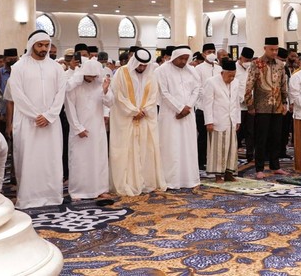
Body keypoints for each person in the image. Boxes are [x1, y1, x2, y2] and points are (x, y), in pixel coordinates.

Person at [9, 30, 67, 208]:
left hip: (50, 122)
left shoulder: (56, 67)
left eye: (46, 45)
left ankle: (52, 195)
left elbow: (60, 93)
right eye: (39, 45)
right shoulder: (18, 67)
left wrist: (49, 116)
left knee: (51, 159)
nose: (43, 49)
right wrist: (36, 115)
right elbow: (17, 95)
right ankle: (28, 198)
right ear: (31, 45)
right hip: (28, 122)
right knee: (28, 159)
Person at [109, 48, 166, 196]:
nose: (142, 68)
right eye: (140, 65)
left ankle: (146, 182)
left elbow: (153, 96)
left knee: (146, 150)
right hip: (126, 119)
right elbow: (118, 95)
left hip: (145, 118)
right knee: (126, 151)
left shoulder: (151, 75)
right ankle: (128, 183)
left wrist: (144, 110)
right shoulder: (122, 73)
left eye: (145, 65)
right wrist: (133, 111)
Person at [64, 59, 113, 201]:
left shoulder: (100, 85)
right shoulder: (74, 87)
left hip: (97, 129)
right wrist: (77, 127)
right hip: (79, 130)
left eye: (94, 76)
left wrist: (105, 90)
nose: (91, 79)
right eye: (89, 76)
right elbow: (69, 108)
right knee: (80, 160)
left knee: (99, 159)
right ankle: (79, 190)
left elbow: (110, 102)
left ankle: (100, 189)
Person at [156, 46, 201, 189]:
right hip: (170, 115)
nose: (183, 62)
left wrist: (188, 107)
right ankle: (171, 180)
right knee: (171, 146)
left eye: (186, 59)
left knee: (188, 145)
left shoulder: (192, 71)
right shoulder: (161, 70)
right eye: (181, 58)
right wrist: (179, 108)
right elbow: (163, 93)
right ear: (174, 57)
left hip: (188, 114)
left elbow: (197, 89)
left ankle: (189, 179)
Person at [244, 37, 289, 179]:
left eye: (276, 49)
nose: (275, 52)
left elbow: (283, 85)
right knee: (261, 138)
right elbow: (249, 85)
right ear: (265, 48)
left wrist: (285, 102)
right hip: (261, 107)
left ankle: (275, 166)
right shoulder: (256, 64)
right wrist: (250, 105)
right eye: (272, 49)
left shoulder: (281, 64)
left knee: (276, 137)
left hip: (277, 106)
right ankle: (259, 168)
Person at [203, 59, 242, 183]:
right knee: (218, 149)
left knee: (232, 147)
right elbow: (207, 104)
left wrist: (238, 120)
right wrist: (208, 121)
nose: (231, 78)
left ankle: (229, 173)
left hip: (231, 120)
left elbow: (236, 102)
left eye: (233, 75)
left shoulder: (236, 82)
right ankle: (218, 175)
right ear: (222, 72)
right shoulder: (211, 82)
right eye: (229, 75)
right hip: (217, 120)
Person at [195, 43, 222, 173]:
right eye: (208, 51)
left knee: (215, 137)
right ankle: (201, 161)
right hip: (202, 107)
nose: (211, 54)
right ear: (203, 54)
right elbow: (198, 88)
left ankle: (213, 161)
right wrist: (209, 97)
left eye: (213, 51)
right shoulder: (198, 69)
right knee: (203, 137)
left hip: (217, 108)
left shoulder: (219, 68)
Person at [235, 47, 255, 162]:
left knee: (250, 132)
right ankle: (234, 154)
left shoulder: (251, 68)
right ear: (240, 57)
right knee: (238, 132)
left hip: (250, 106)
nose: (247, 62)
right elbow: (233, 87)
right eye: (246, 59)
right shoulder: (234, 68)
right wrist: (243, 99)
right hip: (238, 106)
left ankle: (250, 155)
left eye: (250, 60)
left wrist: (251, 101)